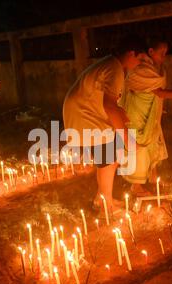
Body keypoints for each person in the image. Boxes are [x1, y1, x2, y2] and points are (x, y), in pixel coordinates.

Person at [63, 35, 147, 215]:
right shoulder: (115, 69)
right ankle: (105, 205)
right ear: (131, 53)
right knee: (108, 158)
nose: (139, 64)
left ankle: (102, 199)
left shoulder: (112, 65)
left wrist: (122, 118)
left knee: (111, 157)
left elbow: (109, 102)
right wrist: (128, 140)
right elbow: (108, 105)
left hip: (87, 111)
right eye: (139, 59)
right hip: (85, 114)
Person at [119, 38, 172, 196]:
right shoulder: (142, 69)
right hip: (136, 114)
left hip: (148, 114)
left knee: (152, 144)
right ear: (150, 52)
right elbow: (160, 93)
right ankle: (135, 187)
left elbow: (157, 90)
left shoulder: (155, 69)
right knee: (139, 148)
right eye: (162, 53)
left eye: (166, 53)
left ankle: (152, 177)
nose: (164, 56)